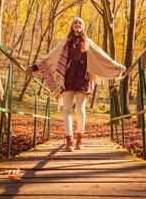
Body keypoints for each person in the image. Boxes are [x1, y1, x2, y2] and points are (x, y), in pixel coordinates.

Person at [27, 17, 126, 152]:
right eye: (75, 23)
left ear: (82, 27)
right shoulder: (65, 42)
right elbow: (51, 55)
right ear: (72, 26)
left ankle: (80, 139)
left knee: (80, 109)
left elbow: (102, 56)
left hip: (82, 79)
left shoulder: (88, 43)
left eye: (80, 23)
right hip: (67, 79)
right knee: (67, 109)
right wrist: (35, 67)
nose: (77, 25)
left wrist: (117, 67)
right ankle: (69, 140)